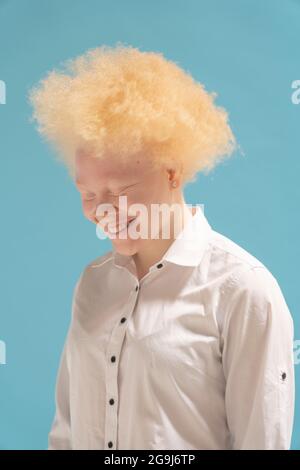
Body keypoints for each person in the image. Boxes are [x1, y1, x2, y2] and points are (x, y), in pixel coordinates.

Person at [28, 43, 295, 450]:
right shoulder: (93, 283)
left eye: (120, 190)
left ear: (172, 172)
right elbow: (66, 431)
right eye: (87, 193)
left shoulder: (242, 289)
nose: (102, 210)